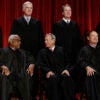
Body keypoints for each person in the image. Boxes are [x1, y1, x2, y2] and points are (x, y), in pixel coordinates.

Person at [10, 1, 44, 99]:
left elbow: (41, 39)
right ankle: (20, 95)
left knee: (33, 75)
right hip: (20, 53)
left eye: (31, 8)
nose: (29, 10)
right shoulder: (17, 21)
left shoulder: (37, 22)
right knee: (21, 74)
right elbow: (13, 38)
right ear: (23, 9)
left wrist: (40, 54)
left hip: (34, 53)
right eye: (27, 8)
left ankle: (33, 95)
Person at [37, 33, 75, 100]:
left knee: (66, 78)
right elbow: (40, 64)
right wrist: (48, 71)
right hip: (49, 75)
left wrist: (66, 69)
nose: (45, 42)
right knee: (53, 78)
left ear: (53, 40)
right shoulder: (42, 52)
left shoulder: (62, 50)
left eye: (47, 40)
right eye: (45, 40)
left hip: (61, 73)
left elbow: (69, 62)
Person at [0, 34, 35, 100]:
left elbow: (31, 58)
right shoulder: (3, 51)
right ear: (12, 42)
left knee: (26, 77)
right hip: (8, 75)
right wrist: (2, 66)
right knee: (4, 78)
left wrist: (31, 64)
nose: (20, 43)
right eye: (18, 41)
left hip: (20, 76)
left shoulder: (23, 52)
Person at [52, 3, 83, 70]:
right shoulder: (57, 25)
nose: (68, 12)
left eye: (70, 10)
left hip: (74, 54)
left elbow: (78, 40)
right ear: (62, 13)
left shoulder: (75, 25)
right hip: (61, 54)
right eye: (66, 10)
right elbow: (55, 41)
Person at [77, 31, 100, 100]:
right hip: (88, 73)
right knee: (91, 74)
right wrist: (86, 67)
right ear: (88, 38)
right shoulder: (84, 50)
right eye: (93, 36)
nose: (95, 37)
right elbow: (80, 61)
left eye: (96, 36)